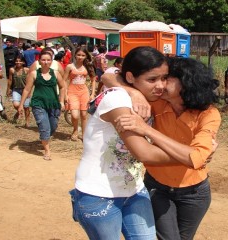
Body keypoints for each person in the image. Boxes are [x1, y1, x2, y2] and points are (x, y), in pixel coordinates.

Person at [102, 54, 221, 240]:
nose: (160, 85)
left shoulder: (209, 114)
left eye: (166, 78)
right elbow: (108, 75)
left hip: (195, 193)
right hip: (158, 187)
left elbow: (196, 157)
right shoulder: (156, 103)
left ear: (186, 83)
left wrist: (147, 130)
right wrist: (133, 92)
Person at [70, 46, 177, 240]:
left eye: (164, 78)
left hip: (134, 190)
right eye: (152, 79)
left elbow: (110, 74)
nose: (160, 85)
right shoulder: (117, 99)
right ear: (130, 77)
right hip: (98, 194)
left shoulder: (151, 99)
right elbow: (143, 153)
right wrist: (191, 157)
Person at [17, 51, 65, 160]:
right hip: (38, 104)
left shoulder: (55, 73)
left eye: (48, 60)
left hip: (53, 104)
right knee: (44, 127)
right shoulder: (34, 74)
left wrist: (61, 101)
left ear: (51, 61)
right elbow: (27, 89)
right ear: (39, 61)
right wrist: (21, 104)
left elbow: (62, 87)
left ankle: (44, 138)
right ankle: (47, 150)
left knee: (52, 127)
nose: (46, 62)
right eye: (43, 60)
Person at [63, 46, 97, 141]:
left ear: (86, 56)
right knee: (74, 115)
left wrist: (92, 93)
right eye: (78, 55)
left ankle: (84, 134)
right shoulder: (70, 66)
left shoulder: (88, 67)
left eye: (83, 55)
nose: (80, 57)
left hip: (84, 92)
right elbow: (64, 81)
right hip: (72, 92)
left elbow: (93, 80)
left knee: (84, 114)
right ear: (75, 55)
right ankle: (75, 130)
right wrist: (65, 94)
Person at [6, 55, 30, 126]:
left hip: (25, 90)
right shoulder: (12, 70)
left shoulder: (26, 70)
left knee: (26, 107)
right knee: (16, 104)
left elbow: (29, 81)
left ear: (23, 62)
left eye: (20, 61)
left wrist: (29, 91)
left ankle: (27, 122)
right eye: (16, 61)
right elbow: (10, 80)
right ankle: (19, 110)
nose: (18, 62)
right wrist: (8, 90)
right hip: (16, 89)